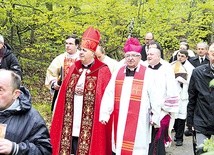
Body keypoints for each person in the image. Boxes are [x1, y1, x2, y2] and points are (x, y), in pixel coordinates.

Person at [50, 26, 112, 155]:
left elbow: (106, 98)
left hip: (91, 120)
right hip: (71, 116)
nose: (81, 53)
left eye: (84, 50)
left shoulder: (103, 70)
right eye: (81, 50)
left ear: (92, 52)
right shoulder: (74, 67)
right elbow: (63, 93)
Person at [99, 37, 163, 154]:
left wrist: (155, 116)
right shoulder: (118, 73)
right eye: (128, 56)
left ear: (139, 57)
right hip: (120, 117)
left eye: (133, 56)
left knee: (138, 148)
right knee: (120, 145)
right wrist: (104, 114)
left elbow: (155, 96)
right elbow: (109, 94)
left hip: (140, 118)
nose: (130, 58)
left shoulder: (147, 73)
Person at [0, 69, 52, 155]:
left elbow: (44, 151)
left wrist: (16, 149)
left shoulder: (32, 119)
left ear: (15, 94)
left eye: (0, 90)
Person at [146, 47, 179, 155]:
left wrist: (162, 107)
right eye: (148, 54)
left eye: (152, 54)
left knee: (157, 139)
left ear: (159, 56)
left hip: (162, 111)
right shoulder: (143, 67)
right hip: (145, 109)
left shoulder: (166, 69)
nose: (149, 56)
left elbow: (172, 89)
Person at [186, 43, 214, 155]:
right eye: (213, 53)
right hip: (202, 120)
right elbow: (192, 98)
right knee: (202, 151)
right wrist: (190, 122)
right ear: (209, 54)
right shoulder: (198, 72)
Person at [45, 34, 80, 111]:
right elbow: (51, 72)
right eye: (66, 43)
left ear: (77, 45)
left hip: (78, 93)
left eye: (70, 44)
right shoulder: (60, 58)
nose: (67, 46)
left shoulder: (82, 58)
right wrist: (54, 83)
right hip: (62, 92)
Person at [171, 49, 195, 146]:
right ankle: (176, 133)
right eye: (178, 56)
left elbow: (192, 81)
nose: (180, 58)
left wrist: (184, 81)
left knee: (182, 116)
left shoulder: (190, 68)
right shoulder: (172, 65)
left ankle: (179, 137)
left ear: (186, 57)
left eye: (182, 56)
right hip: (175, 93)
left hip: (184, 95)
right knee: (174, 116)